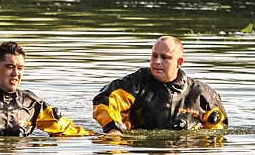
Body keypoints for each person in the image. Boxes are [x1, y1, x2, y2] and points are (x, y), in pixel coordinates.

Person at [92, 35, 228, 135]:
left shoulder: (201, 94)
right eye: (154, 56)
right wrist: (113, 129)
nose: (157, 62)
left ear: (179, 62)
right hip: (140, 154)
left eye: (165, 57)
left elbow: (217, 133)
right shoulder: (135, 84)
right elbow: (104, 103)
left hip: (184, 153)